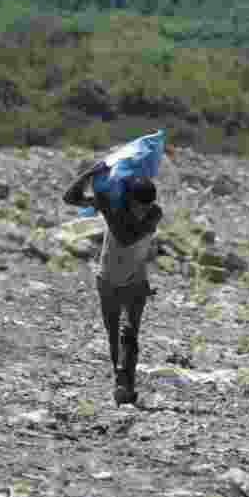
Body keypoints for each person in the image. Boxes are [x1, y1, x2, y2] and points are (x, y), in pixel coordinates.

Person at [63, 160, 163, 406]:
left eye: (146, 206)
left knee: (129, 332)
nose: (142, 210)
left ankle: (125, 386)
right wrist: (90, 174)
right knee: (113, 336)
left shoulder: (154, 214)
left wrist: (107, 207)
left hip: (136, 280)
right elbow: (71, 198)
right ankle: (120, 380)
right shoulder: (114, 206)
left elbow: (127, 237)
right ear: (128, 200)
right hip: (107, 278)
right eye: (138, 205)